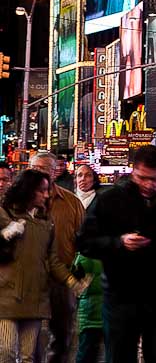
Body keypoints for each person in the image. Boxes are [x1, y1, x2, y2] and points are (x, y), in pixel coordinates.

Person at [78, 144, 156, 363]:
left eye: (154, 178)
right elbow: (85, 242)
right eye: (143, 177)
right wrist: (119, 243)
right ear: (133, 171)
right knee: (120, 355)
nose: (149, 184)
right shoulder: (110, 199)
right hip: (122, 294)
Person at [0, 170, 88, 363]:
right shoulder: (4, 213)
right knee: (6, 352)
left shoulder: (45, 223)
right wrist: (6, 234)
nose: (46, 195)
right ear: (28, 190)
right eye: (42, 191)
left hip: (35, 297)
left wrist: (73, 282)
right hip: (6, 296)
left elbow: (52, 260)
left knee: (27, 356)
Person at [30, 151, 85, 363]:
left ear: (55, 172)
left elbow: (83, 240)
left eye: (44, 169)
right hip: (28, 280)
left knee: (62, 334)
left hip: (62, 279)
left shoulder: (71, 203)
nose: (39, 174)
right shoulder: (18, 203)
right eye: (35, 169)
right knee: (29, 335)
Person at [72, 251, 103, 363]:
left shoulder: (83, 254)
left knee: (86, 354)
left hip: (90, 312)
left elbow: (77, 288)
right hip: (95, 313)